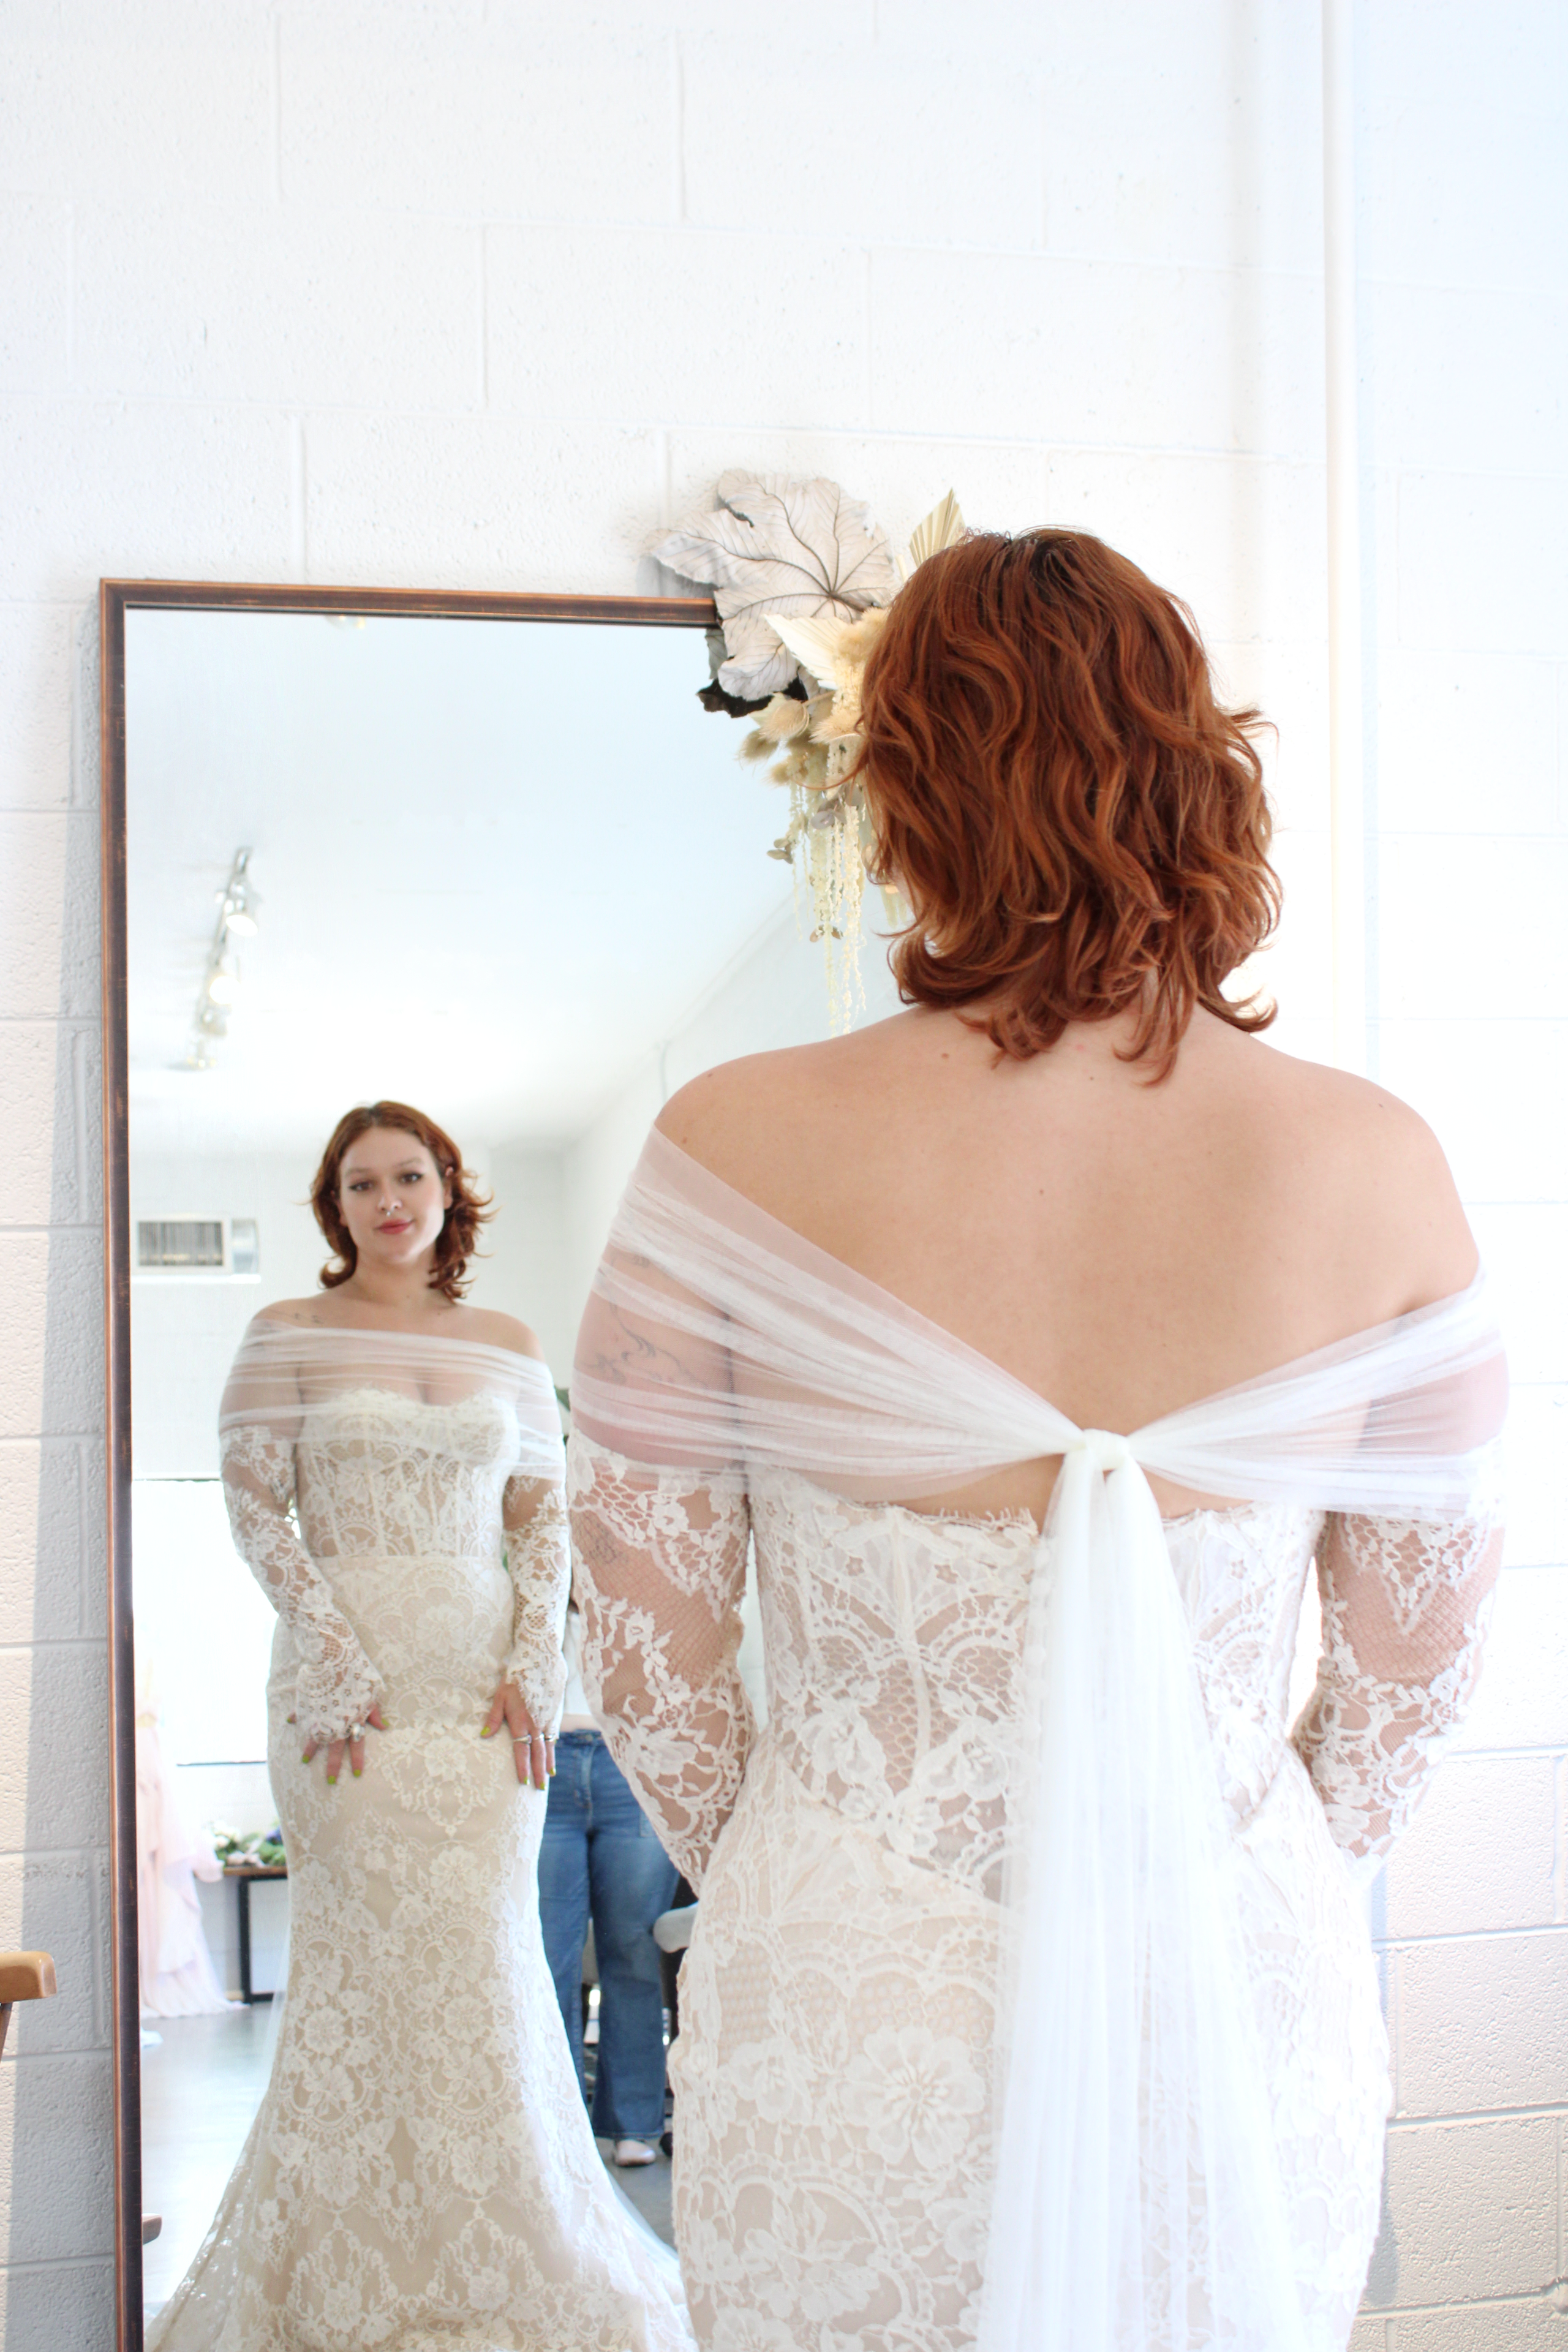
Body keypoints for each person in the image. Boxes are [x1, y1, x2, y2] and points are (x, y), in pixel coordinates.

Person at [566, 532, 1507, 2352]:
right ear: (1195, 773)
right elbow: (1413, 1667)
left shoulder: (734, 1143)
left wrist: (800, 1850)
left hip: (854, 1992)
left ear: (903, 789)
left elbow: (648, 1638)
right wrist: (1240, 1846)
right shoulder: (1373, 1161)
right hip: (1235, 1981)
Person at [150, 1101, 692, 2352]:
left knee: (493, 1964)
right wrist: (334, 1657)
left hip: (484, 1705)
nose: (387, 1201)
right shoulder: (283, 1332)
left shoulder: (505, 1342)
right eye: (359, 1185)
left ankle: (510, 2246)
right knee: (360, 1962)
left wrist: (530, 1664)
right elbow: (254, 1511)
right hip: (348, 1701)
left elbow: (540, 1522)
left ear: (449, 1193)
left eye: (408, 1178)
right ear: (332, 1209)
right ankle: (343, 2257)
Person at [537, 1607, 680, 2167]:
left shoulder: (637, 1567)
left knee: (635, 1950)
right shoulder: (528, 1557)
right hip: (541, 1759)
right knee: (550, 1957)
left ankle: (635, 2125)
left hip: (632, 1761)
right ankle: (558, 2121)